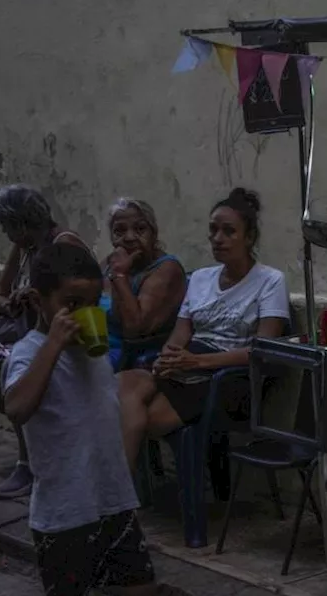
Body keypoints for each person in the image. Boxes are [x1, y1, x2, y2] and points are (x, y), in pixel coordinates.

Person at [3, 242, 159, 596]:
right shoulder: (30, 353)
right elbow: (17, 409)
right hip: (64, 511)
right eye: (71, 303)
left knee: (141, 590)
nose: (83, 314)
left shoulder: (95, 352)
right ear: (43, 301)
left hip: (110, 498)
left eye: (91, 303)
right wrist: (51, 343)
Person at [117, 188, 289, 467]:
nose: (217, 239)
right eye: (213, 230)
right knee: (119, 388)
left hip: (227, 375)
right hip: (189, 365)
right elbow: (180, 334)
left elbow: (262, 349)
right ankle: (120, 496)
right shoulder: (200, 278)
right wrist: (167, 358)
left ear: (249, 237)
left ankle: (121, 497)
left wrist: (197, 361)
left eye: (229, 232)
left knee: (143, 419)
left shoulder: (270, 281)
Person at [0, 185, 90, 499]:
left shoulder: (63, 244)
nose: (5, 233)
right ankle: (36, 425)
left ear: (22, 223)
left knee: (11, 371)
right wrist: (9, 303)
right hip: (20, 329)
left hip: (57, 333)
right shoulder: (24, 247)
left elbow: (83, 297)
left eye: (7, 226)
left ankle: (29, 459)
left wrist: (39, 299)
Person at [99, 197, 187, 371]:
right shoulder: (111, 262)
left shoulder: (167, 269)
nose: (129, 237)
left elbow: (134, 330)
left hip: (133, 358)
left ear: (153, 234)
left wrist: (119, 275)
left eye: (140, 229)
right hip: (96, 348)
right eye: (119, 231)